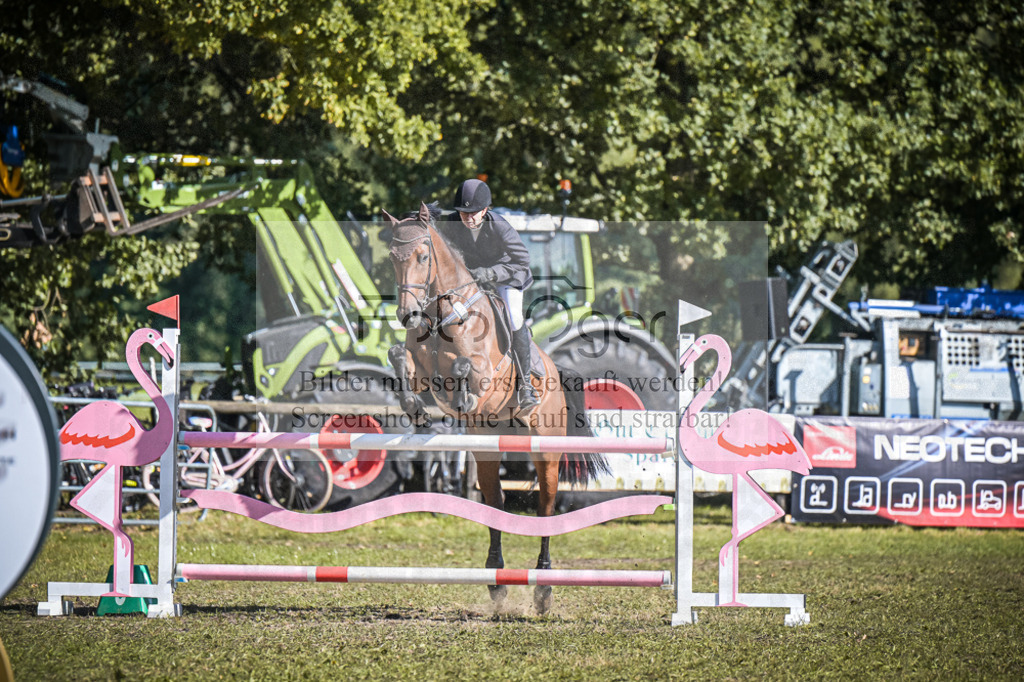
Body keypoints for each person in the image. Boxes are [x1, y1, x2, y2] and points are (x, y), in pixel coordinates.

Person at [442, 178, 540, 412]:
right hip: (473, 280)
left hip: (507, 277)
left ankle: (525, 384)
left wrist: (492, 273)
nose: (468, 218)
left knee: (514, 317)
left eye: (473, 213)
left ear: (485, 210)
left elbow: (523, 261)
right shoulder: (453, 223)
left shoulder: (499, 226)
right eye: (464, 213)